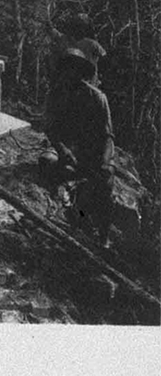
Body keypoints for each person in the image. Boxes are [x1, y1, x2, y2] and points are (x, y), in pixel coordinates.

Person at [44, 48, 115, 247]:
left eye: (75, 69)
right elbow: (50, 130)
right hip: (65, 149)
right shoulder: (56, 95)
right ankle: (70, 212)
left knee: (106, 182)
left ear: (82, 72)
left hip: (91, 152)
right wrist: (62, 150)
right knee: (47, 162)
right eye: (67, 69)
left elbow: (108, 137)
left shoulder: (97, 98)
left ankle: (104, 237)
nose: (70, 74)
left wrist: (104, 162)